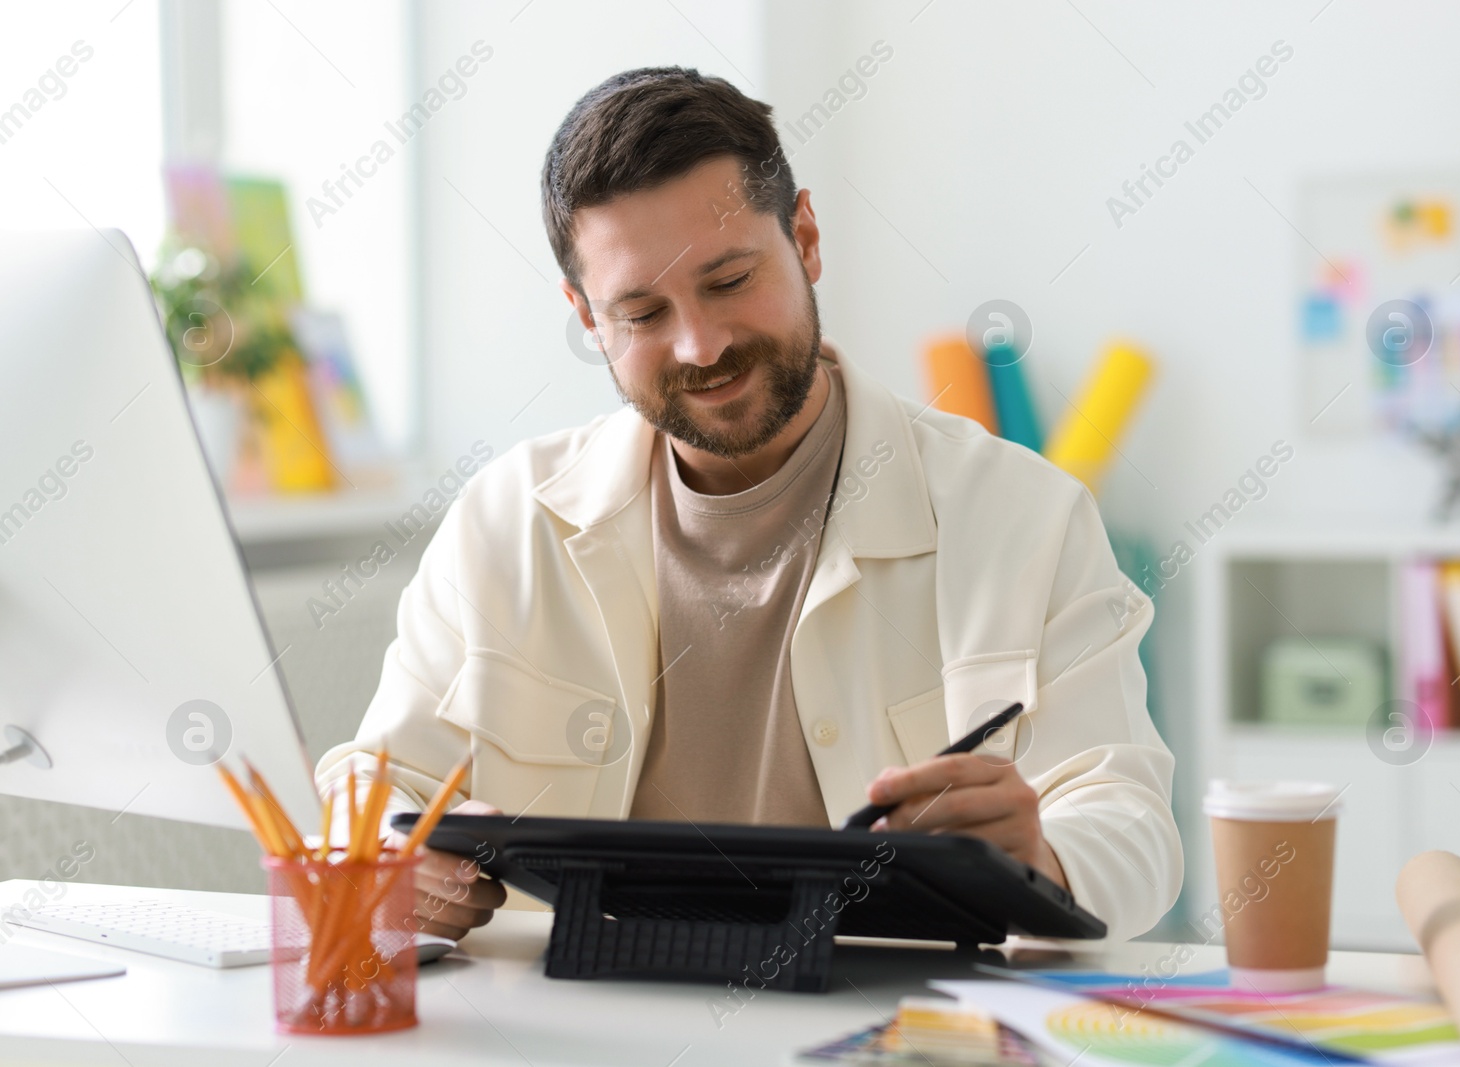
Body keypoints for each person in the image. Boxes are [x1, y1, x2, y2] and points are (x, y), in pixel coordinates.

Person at [315, 66, 1181, 944]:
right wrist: (384, 853)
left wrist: (1040, 849)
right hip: (587, 1023)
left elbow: (1134, 827)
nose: (702, 344)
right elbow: (379, 781)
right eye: (643, 312)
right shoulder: (506, 521)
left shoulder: (1022, 513)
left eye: (729, 281)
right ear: (585, 316)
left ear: (804, 237)